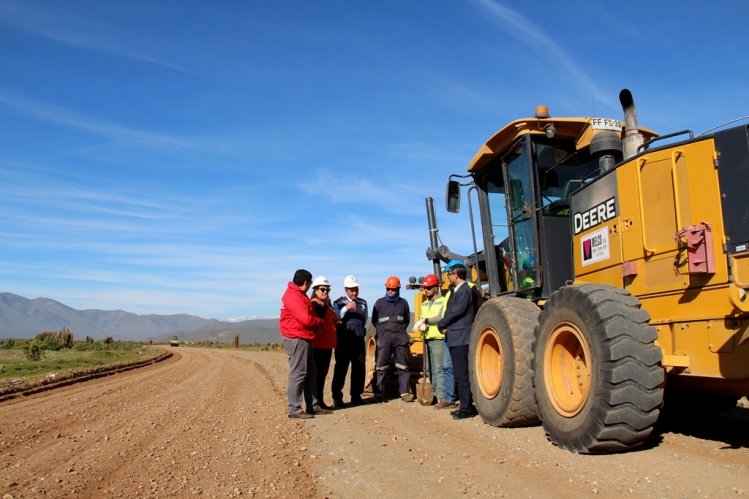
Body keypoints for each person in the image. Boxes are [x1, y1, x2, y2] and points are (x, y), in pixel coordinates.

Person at [280, 269, 331, 419]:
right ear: (306, 283)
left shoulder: (297, 295)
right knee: (298, 374)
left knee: (310, 374)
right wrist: (320, 322)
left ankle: (313, 406)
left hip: (304, 338)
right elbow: (306, 319)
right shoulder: (294, 296)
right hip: (297, 338)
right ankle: (294, 408)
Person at [435, 261, 477, 419]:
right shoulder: (457, 290)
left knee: (461, 374)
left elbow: (456, 311)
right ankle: (465, 406)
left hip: (460, 337)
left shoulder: (464, 291)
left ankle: (466, 409)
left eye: (449, 273)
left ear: (456, 275)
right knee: (459, 373)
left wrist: (442, 323)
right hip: (455, 335)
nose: (447, 276)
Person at [372, 276, 413, 403]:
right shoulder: (379, 303)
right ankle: (379, 393)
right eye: (388, 289)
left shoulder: (404, 303)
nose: (390, 291)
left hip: (400, 337)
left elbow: (406, 320)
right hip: (384, 338)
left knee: (403, 366)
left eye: (393, 289)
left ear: (398, 290)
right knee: (381, 367)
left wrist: (399, 331)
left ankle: (404, 393)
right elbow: (374, 321)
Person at [417, 273, 454, 409]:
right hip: (426, 338)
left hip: (438, 338)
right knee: (430, 370)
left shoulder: (443, 301)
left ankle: (442, 396)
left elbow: (441, 317)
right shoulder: (425, 303)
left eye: (428, 288)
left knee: (439, 368)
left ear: (435, 288)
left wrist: (426, 321)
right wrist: (420, 324)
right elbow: (422, 316)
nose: (425, 291)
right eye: (425, 288)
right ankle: (431, 394)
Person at [331, 275, 369, 407]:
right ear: (346, 290)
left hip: (358, 341)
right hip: (343, 341)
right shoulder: (339, 303)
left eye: (356, 289)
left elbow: (364, 320)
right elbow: (335, 317)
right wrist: (346, 308)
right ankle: (337, 397)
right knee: (341, 368)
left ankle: (356, 395)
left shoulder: (363, 303)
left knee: (359, 368)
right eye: (351, 290)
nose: (354, 292)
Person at [310, 275, 337, 410]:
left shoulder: (326, 304)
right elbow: (316, 320)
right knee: (317, 375)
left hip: (327, 345)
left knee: (322, 375)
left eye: (327, 290)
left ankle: (319, 401)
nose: (325, 292)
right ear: (315, 290)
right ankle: (315, 403)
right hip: (318, 346)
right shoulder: (315, 303)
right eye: (322, 289)